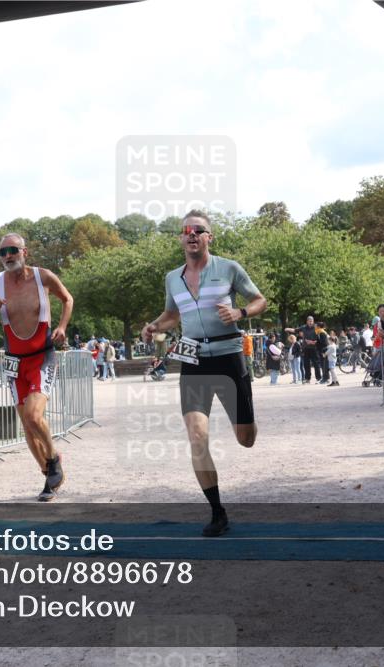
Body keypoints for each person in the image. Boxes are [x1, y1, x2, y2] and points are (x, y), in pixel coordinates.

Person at [142, 210, 267, 537]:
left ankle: (247, 419)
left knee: (246, 439)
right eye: (187, 230)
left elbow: (260, 300)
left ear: (210, 237)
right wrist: (155, 325)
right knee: (197, 436)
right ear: (181, 238)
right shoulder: (172, 278)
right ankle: (217, 512)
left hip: (229, 357)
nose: (192, 234)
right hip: (194, 360)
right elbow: (171, 315)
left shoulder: (229, 268)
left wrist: (240, 311)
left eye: (200, 230)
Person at [0, 232, 74, 502]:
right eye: (2, 252)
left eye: (12, 250)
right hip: (13, 362)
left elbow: (68, 299)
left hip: (41, 357)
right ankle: (49, 476)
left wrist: (62, 326)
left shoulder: (43, 277)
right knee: (27, 426)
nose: (8, 256)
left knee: (34, 416)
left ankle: (54, 459)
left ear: (25, 252)